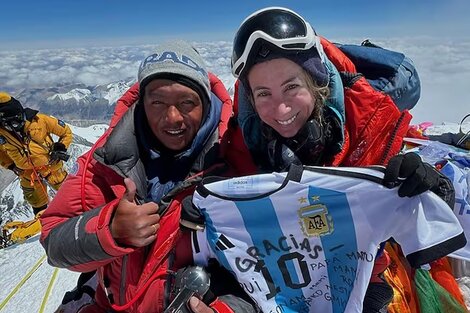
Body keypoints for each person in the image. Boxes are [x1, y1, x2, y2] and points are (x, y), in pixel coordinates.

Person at [229, 7, 460, 313]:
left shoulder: (370, 125)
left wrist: (431, 186)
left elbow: (436, 201)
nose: (281, 111)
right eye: (263, 94)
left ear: (316, 82)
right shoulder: (240, 150)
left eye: (292, 87)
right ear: (250, 100)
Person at [40, 40, 258, 313]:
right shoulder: (107, 161)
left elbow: (265, 269)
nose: (172, 117)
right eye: (157, 102)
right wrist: (110, 229)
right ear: (142, 104)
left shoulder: (234, 165)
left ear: (206, 103)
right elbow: (54, 242)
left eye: (187, 102)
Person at [0, 92, 72, 216]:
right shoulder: (2, 133)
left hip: (51, 167)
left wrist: (61, 147)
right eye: (8, 124)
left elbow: (65, 132)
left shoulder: (40, 120)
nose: (14, 127)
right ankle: (42, 229)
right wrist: (10, 165)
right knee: (38, 205)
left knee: (70, 195)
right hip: (27, 174)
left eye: (17, 122)